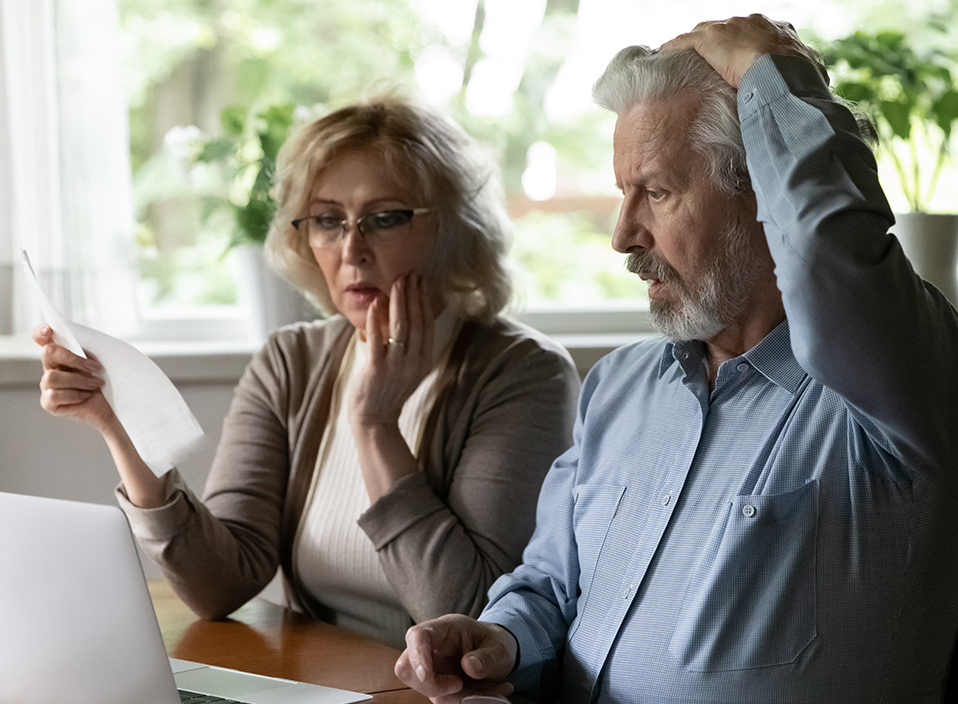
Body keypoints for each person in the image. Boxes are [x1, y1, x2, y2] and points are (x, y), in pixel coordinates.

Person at [394, 15, 958, 703]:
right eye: (622, 193)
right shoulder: (620, 385)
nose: (623, 235)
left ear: (764, 195)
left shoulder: (897, 382)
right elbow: (548, 584)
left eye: (655, 193)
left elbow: (833, 240)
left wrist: (766, 65)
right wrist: (501, 639)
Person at [33, 96, 581, 649]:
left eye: (384, 219)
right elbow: (219, 585)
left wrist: (376, 425)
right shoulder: (291, 361)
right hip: (318, 680)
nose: (352, 249)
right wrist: (116, 422)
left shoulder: (526, 373)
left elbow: (469, 613)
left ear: (453, 229)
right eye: (327, 221)